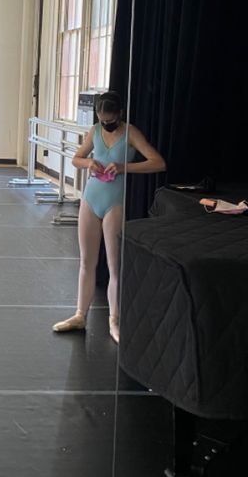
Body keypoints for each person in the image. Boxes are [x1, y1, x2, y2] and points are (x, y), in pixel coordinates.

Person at [52, 90, 165, 343]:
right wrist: (90, 163)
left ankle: (114, 319)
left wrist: (125, 167)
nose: (107, 123)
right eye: (102, 119)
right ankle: (80, 314)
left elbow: (158, 162)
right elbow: (76, 158)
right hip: (91, 198)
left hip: (115, 202)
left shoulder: (131, 133)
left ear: (120, 114)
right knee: (86, 261)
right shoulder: (95, 131)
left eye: (110, 119)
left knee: (114, 265)